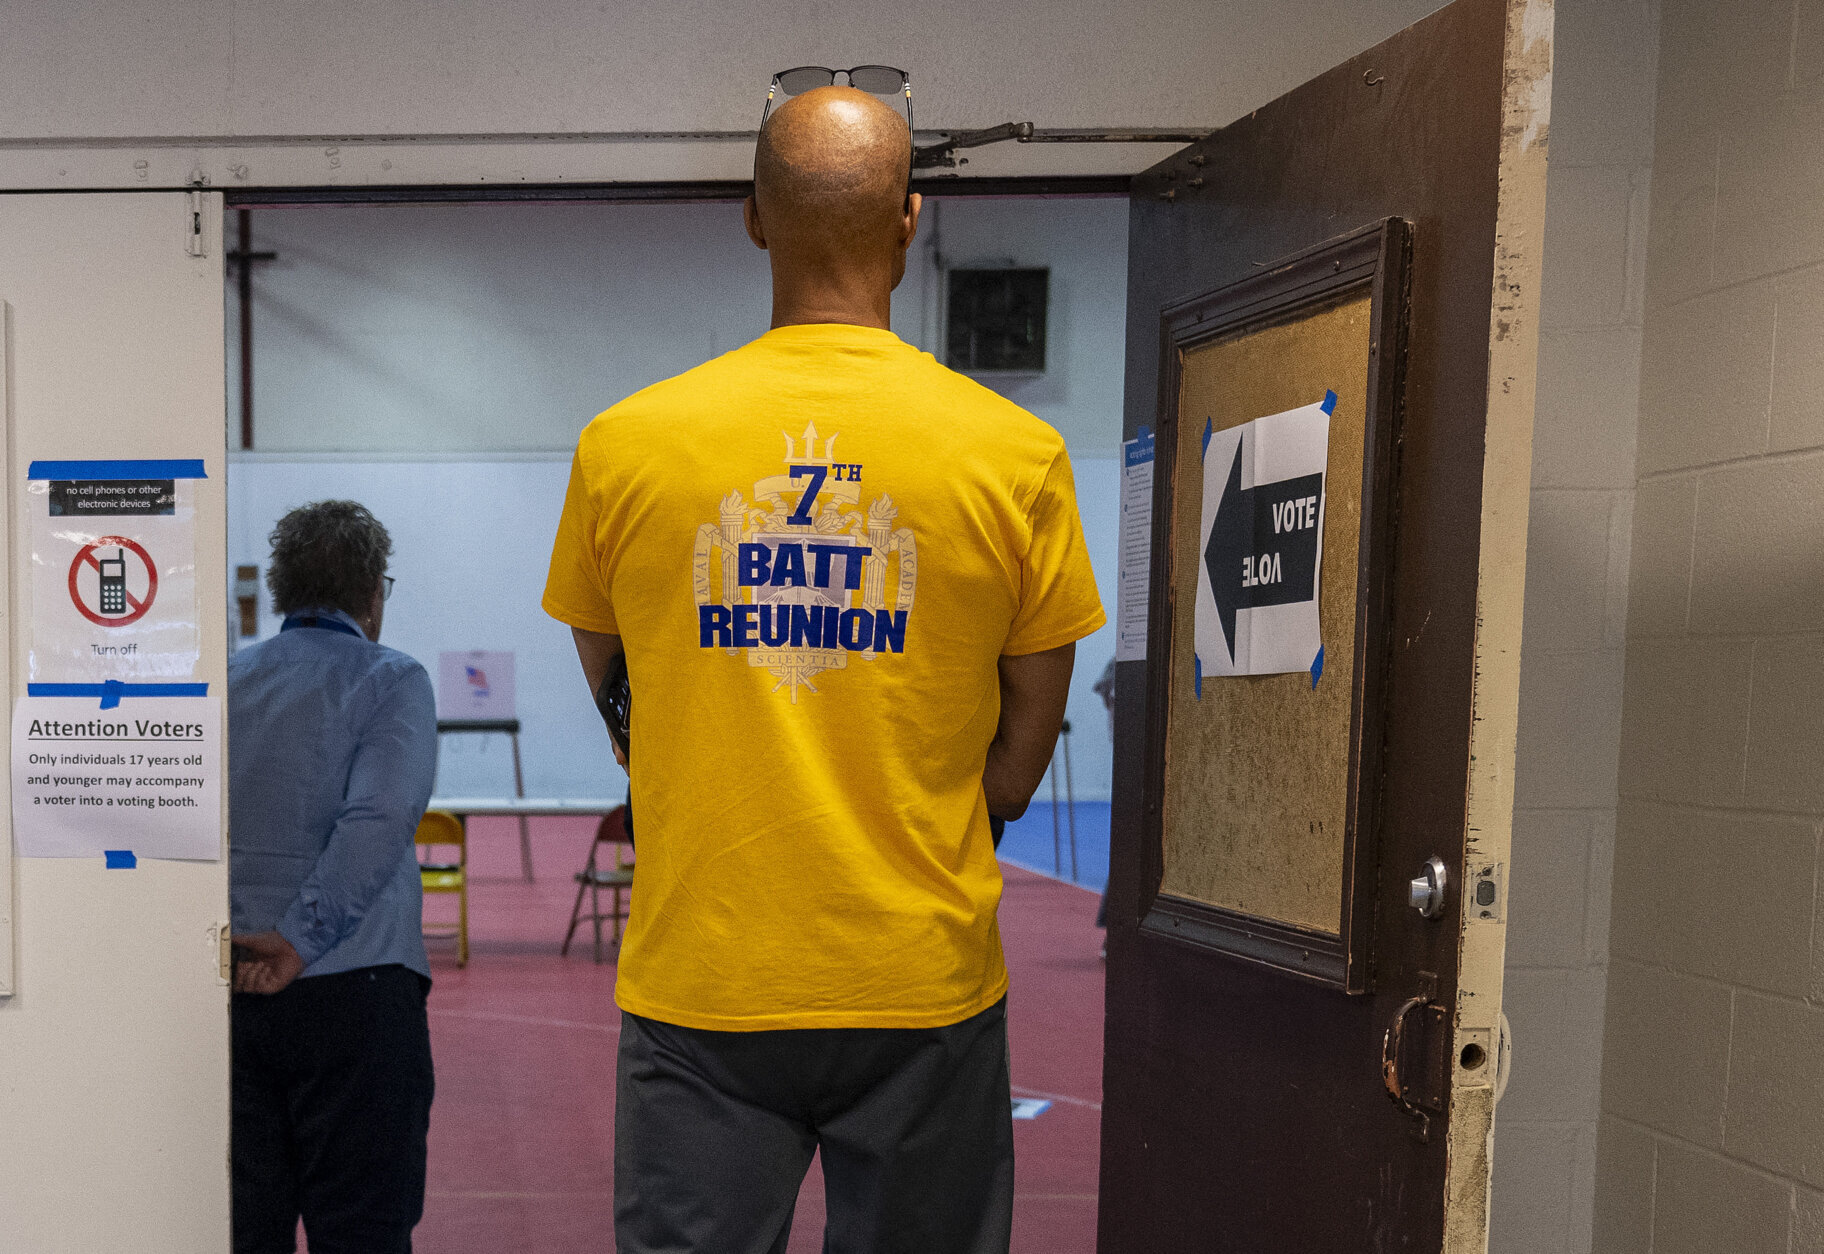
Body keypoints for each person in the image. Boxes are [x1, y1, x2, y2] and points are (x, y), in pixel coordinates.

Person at [543, 79, 1105, 1253]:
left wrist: (675, 755)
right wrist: (956, 813)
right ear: (910, 221)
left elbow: (612, 670)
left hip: (704, 978)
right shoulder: (1015, 455)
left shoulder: (626, 446)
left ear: (754, 217)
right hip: (921, 977)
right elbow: (1026, 736)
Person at [228, 500, 438, 1254]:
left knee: (245, 1230)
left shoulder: (227, 682)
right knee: (362, 1231)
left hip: (236, 989)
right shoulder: (392, 681)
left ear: (283, 590)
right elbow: (377, 823)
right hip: (355, 989)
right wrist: (299, 937)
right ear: (373, 594)